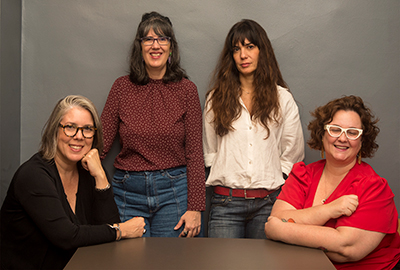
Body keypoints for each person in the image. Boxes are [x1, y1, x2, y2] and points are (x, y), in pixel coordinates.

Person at [0, 95, 145, 269]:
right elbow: (66, 237)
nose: (79, 136)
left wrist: (100, 176)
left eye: (87, 129)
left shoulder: (90, 171)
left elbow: (108, 232)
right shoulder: (33, 175)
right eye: (70, 127)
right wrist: (122, 230)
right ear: (55, 130)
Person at [100, 11, 205, 238]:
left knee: (169, 261)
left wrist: (195, 206)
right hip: (128, 192)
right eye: (148, 39)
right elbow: (101, 144)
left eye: (162, 39)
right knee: (130, 262)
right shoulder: (121, 88)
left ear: (170, 47)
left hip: (174, 193)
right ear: (140, 46)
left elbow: (195, 153)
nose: (155, 45)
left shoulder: (187, 90)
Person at [265, 95, 400, 269]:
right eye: (335, 129)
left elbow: (346, 248)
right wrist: (329, 210)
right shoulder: (303, 174)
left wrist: (281, 230)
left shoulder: (374, 187)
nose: (342, 138)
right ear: (322, 134)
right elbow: (276, 218)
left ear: (361, 141)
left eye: (352, 133)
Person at [203, 19, 304, 239]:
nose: (243, 55)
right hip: (225, 204)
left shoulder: (282, 98)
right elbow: (210, 153)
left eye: (250, 47)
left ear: (262, 51)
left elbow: (293, 153)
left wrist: (271, 179)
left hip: (268, 204)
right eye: (236, 49)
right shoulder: (215, 98)